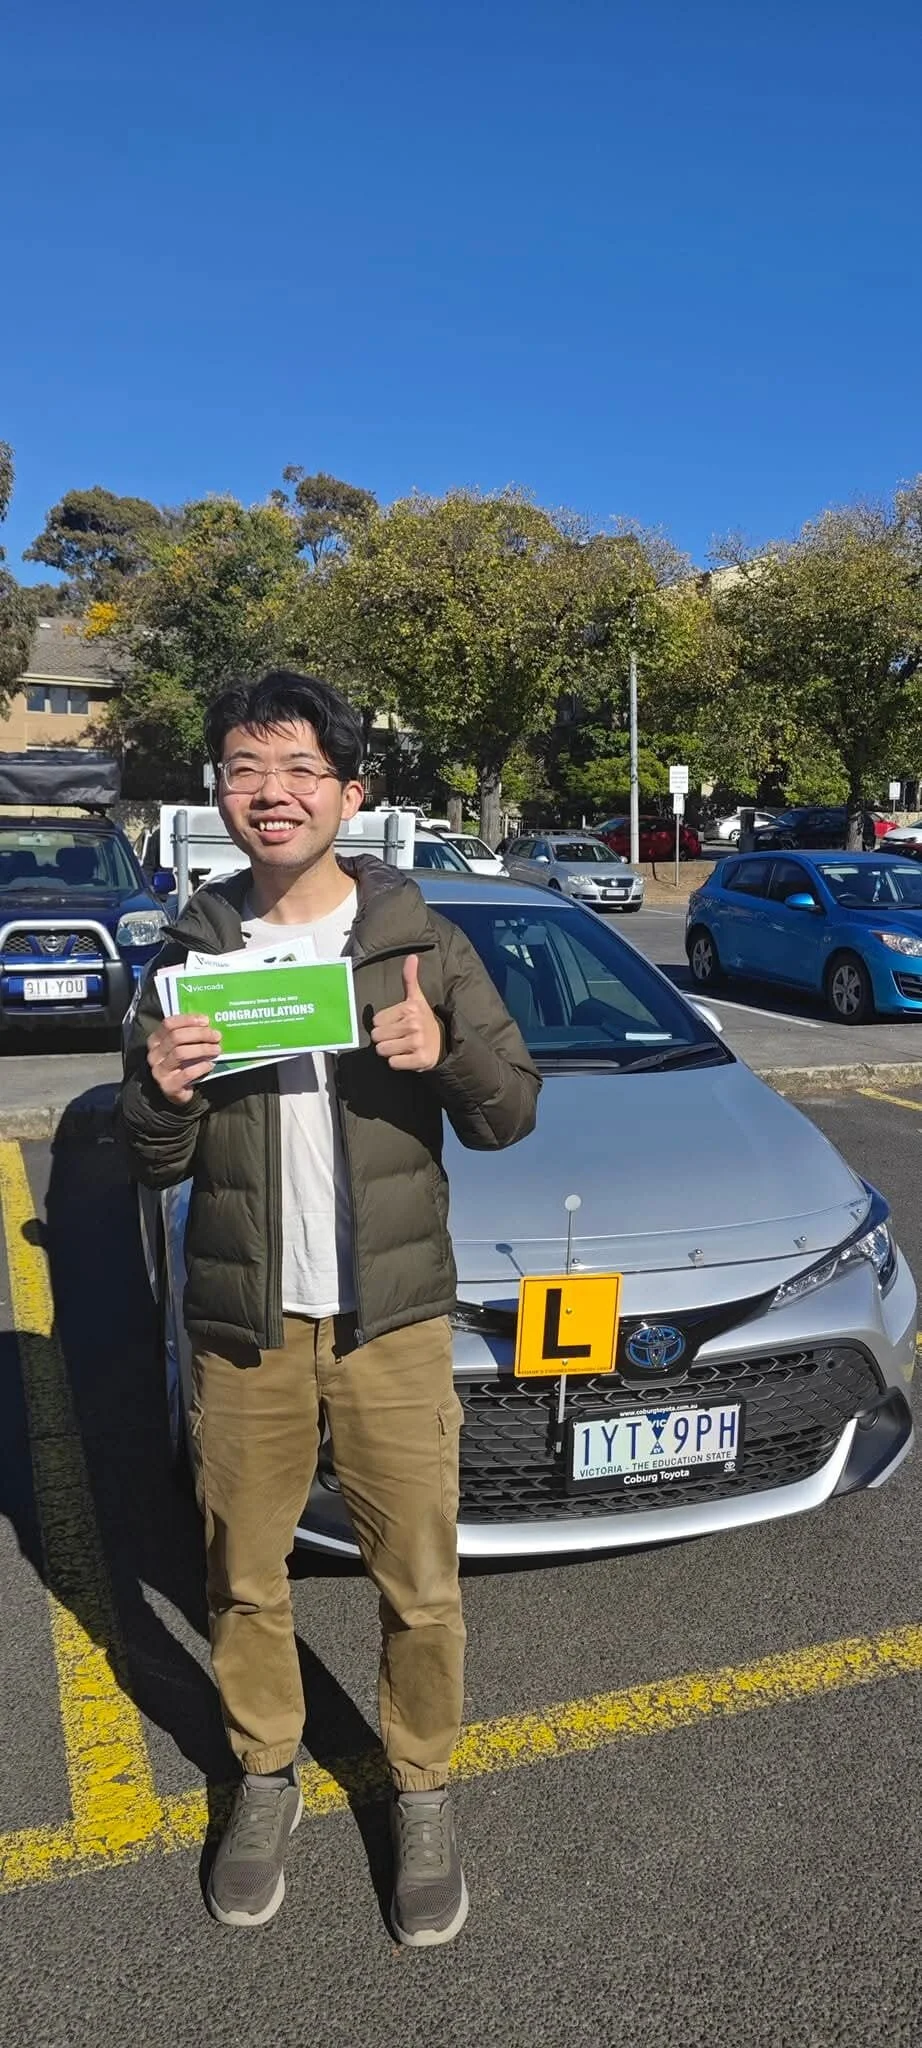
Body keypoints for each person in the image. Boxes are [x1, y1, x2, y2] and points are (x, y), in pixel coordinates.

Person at [120, 670, 540, 1944]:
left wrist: (446, 1055)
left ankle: (420, 1788)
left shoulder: (421, 941)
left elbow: (510, 1109)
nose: (273, 794)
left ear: (350, 793)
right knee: (244, 1575)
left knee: (418, 1581)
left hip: (393, 1321)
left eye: (301, 770)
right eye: (247, 770)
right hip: (245, 1327)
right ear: (219, 792)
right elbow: (150, 1159)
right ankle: (264, 1775)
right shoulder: (189, 956)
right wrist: (163, 1094)